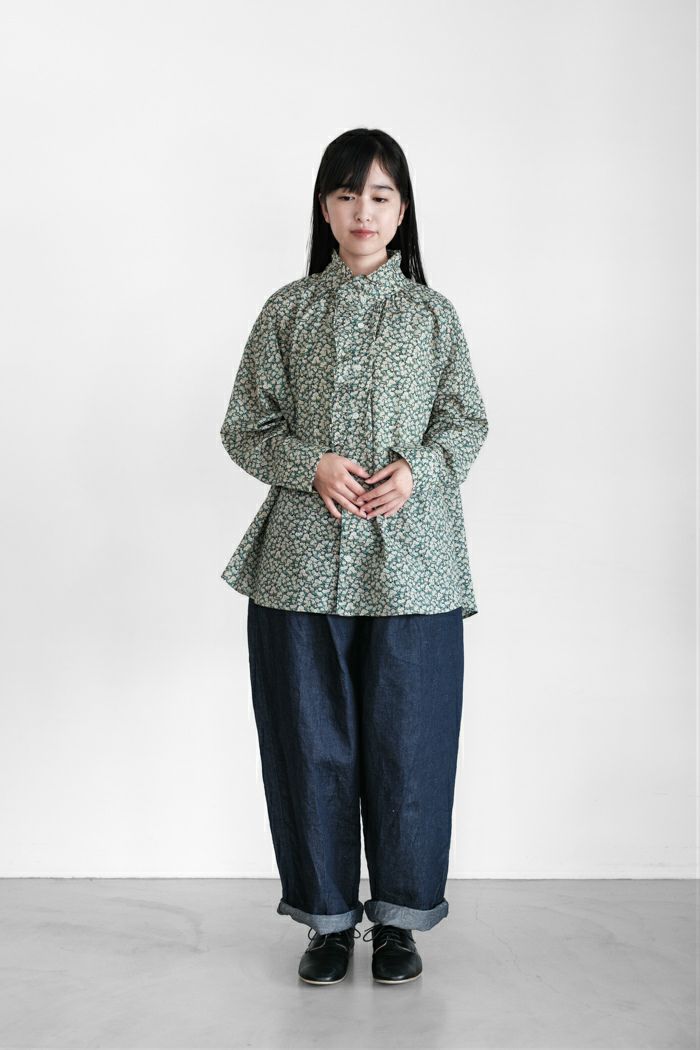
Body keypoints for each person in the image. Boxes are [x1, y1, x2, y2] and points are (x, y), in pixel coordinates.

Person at [219, 127, 489, 985]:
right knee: (309, 748)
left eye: (379, 196)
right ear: (324, 208)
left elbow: (466, 422)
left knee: (411, 747)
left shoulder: (434, 316)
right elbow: (243, 427)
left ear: (402, 211)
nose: (362, 211)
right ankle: (327, 922)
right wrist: (311, 466)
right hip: (299, 564)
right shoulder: (287, 311)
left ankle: (401, 923)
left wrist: (419, 472)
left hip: (416, 567)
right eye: (346, 195)